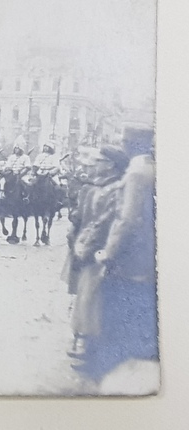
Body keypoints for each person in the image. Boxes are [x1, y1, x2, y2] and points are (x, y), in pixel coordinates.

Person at [82, 124, 157, 380]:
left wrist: (108, 252)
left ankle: (109, 369)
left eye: (124, 139)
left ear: (132, 143)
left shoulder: (136, 172)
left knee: (115, 312)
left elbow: (126, 219)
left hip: (130, 256)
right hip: (147, 254)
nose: (121, 142)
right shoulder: (149, 165)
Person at [63, 144, 129, 364]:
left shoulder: (117, 188)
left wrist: (87, 245)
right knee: (82, 291)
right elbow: (83, 215)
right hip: (83, 245)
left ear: (110, 165)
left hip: (98, 247)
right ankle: (80, 334)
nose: (93, 166)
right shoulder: (93, 186)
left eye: (98, 162)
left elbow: (106, 222)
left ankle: (89, 341)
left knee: (92, 293)